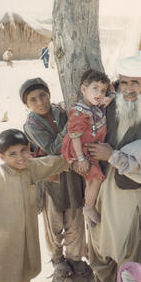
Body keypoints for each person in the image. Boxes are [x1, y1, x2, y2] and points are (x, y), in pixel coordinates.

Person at [86, 50, 141, 282]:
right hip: (97, 191)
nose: (129, 88)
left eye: (136, 82)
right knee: (98, 252)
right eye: (124, 81)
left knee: (127, 255)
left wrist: (113, 156)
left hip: (127, 196)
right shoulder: (108, 108)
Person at [20, 78, 88, 277]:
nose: (40, 102)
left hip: (73, 173)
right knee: (54, 220)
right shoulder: (31, 125)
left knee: (75, 215)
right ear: (27, 105)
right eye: (33, 100)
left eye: (43, 95)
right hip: (51, 177)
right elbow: (52, 148)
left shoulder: (61, 111)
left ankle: (75, 257)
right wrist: (72, 126)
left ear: (49, 94)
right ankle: (58, 258)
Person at [0, 129, 71, 282]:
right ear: (2, 157)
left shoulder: (30, 168)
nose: (20, 157)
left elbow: (54, 163)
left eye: (23, 150)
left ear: (29, 148)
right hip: (2, 251)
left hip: (26, 248)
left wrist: (76, 160)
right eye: (12, 154)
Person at [61, 69, 114, 227]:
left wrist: (109, 97)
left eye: (102, 90)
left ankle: (88, 213)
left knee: (91, 179)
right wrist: (81, 158)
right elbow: (75, 135)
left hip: (89, 149)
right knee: (96, 177)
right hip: (81, 150)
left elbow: (112, 90)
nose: (99, 93)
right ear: (83, 89)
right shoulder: (80, 111)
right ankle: (89, 208)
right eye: (95, 88)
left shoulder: (97, 105)